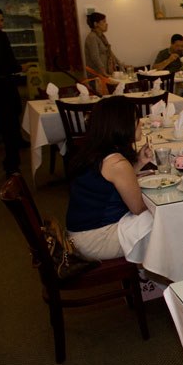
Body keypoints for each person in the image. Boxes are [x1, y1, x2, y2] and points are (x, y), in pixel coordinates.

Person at [65, 97, 154, 260]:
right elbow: (138, 208)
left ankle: (148, 268)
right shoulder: (117, 163)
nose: (140, 123)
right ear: (122, 125)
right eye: (136, 120)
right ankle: (155, 270)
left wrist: (139, 162)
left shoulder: (97, 150)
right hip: (95, 238)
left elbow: (108, 183)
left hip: (79, 232)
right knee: (162, 222)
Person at [0, 7, 33, 177]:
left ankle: (18, 142)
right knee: (8, 122)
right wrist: (20, 67)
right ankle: (11, 165)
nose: (0, 23)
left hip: (0, 83)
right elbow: (5, 63)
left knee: (12, 115)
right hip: (1, 84)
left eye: (2, 20)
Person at [84, 12, 122, 78]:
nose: (106, 24)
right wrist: (103, 72)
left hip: (106, 74)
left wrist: (120, 64)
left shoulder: (102, 37)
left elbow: (109, 52)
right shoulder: (92, 37)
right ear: (96, 24)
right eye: (103, 22)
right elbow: (95, 57)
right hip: (97, 76)